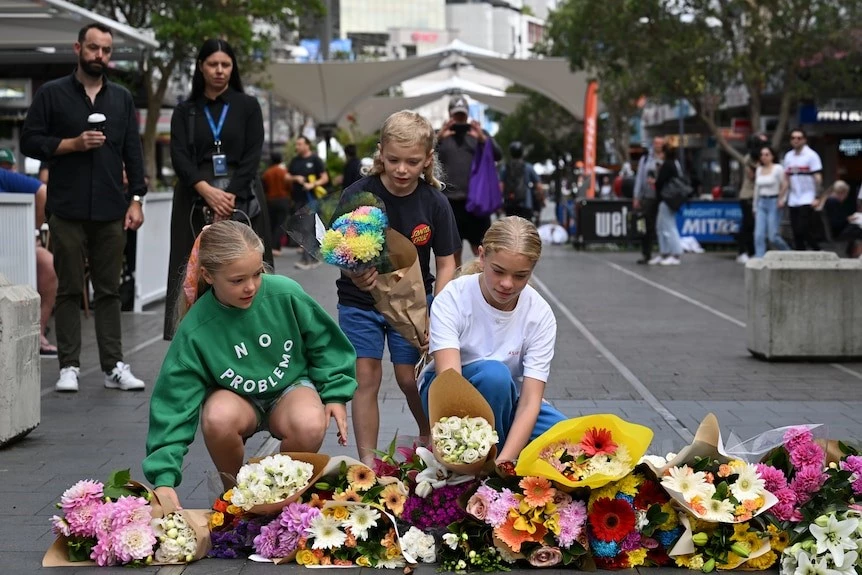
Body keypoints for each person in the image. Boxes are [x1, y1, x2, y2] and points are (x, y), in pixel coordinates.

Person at [143, 220, 358, 508]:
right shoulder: (196, 327)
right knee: (217, 417)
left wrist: (335, 394)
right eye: (237, 280)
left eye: (257, 274)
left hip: (290, 389)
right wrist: (164, 479)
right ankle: (234, 497)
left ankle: (280, 495)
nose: (251, 287)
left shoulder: (285, 293)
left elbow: (325, 343)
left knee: (309, 422)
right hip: (236, 399)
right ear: (208, 275)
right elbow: (174, 400)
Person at [20, 23, 147, 392]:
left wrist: (136, 199)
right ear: (78, 48)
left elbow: (133, 152)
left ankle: (114, 366)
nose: (99, 56)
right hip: (66, 207)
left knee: (109, 291)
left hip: (111, 207)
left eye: (106, 50)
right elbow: (30, 141)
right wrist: (71, 144)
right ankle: (69, 366)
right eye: (93, 48)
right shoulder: (52, 93)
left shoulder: (121, 98)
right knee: (68, 289)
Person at [339, 110, 460, 466]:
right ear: (380, 154)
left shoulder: (434, 202)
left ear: (428, 159)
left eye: (412, 162)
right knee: (365, 378)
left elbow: (446, 262)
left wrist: (438, 310)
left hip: (412, 305)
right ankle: (366, 466)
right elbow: (338, 249)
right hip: (359, 303)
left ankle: (427, 431)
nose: (402, 169)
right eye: (393, 160)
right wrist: (353, 273)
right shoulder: (358, 195)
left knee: (409, 378)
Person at [418, 216, 567, 463]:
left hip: (510, 398)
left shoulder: (540, 313)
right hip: (448, 392)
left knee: (573, 440)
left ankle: (501, 454)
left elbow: (530, 402)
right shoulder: (453, 297)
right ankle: (484, 461)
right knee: (494, 376)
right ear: (482, 257)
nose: (507, 284)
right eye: (498, 271)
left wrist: (503, 463)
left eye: (520, 276)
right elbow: (450, 384)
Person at [165, 38, 273, 341]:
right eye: (213, 64)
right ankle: (195, 340)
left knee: (247, 266)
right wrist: (206, 191)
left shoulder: (248, 106)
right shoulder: (185, 110)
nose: (219, 70)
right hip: (194, 198)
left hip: (243, 196)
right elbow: (179, 156)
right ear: (201, 67)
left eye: (226, 64)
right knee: (195, 270)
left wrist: (229, 196)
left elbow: (253, 155)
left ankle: (256, 337)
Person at [437, 95, 503, 268]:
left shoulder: (478, 134)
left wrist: (482, 139)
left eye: (462, 115)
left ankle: (482, 281)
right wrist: (439, 137)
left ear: (467, 115)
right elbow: (422, 155)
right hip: (450, 203)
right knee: (453, 253)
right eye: (456, 115)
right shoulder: (441, 135)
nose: (459, 119)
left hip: (476, 203)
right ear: (450, 115)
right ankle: (457, 282)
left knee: (482, 251)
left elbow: (498, 154)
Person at [0, 158, 57, 356]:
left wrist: (31, 231)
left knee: (48, 264)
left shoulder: (5, 177)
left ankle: (38, 333)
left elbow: (43, 192)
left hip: (14, 248)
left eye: (7, 167)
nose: (6, 170)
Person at [287, 135, 329, 270]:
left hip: (312, 199)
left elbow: (325, 178)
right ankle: (313, 258)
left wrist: (312, 184)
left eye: (300, 144)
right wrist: (296, 178)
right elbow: (286, 176)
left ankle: (307, 259)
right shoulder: (295, 161)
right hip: (298, 199)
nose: (297, 147)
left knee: (307, 227)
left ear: (307, 145)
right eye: (296, 144)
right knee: (303, 227)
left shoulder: (315, 160)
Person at [783, 128, 823, 251]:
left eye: (799, 138)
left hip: (808, 197)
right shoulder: (788, 156)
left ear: (804, 140)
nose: (796, 140)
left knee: (803, 228)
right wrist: (782, 197)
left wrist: (817, 197)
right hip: (793, 197)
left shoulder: (811, 155)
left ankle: (817, 250)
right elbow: (786, 178)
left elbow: (818, 177)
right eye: (793, 138)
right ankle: (800, 254)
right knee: (795, 231)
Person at [752, 145, 791, 258]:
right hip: (762, 202)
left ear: (772, 156)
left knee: (773, 236)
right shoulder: (759, 169)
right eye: (762, 155)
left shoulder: (778, 168)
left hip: (774, 201)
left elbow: (785, 185)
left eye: (767, 154)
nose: (763, 157)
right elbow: (757, 189)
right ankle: (759, 258)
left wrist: (782, 199)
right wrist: (754, 206)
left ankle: (788, 252)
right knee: (758, 235)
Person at [736, 134, 768, 263]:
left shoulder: (764, 157)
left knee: (755, 225)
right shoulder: (749, 158)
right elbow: (752, 176)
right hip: (748, 195)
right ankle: (743, 251)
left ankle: (753, 251)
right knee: (748, 224)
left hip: (759, 195)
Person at [633, 137, 665, 264]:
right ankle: (646, 254)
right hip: (648, 197)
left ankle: (665, 253)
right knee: (646, 226)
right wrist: (637, 196)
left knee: (663, 226)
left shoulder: (667, 158)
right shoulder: (645, 159)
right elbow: (639, 178)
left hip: (663, 198)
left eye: (660, 143)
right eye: (656, 143)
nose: (658, 145)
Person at [653, 143, 684, 265]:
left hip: (667, 199)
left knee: (668, 226)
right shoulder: (675, 164)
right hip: (668, 200)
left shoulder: (668, 165)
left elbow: (660, 182)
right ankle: (664, 253)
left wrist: (654, 181)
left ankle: (675, 254)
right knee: (661, 227)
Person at [499, 141, 541, 221]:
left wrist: (500, 202)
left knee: (511, 227)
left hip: (510, 203)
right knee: (526, 227)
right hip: (526, 204)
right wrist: (540, 200)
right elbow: (539, 186)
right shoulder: (528, 167)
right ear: (522, 152)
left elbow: (501, 186)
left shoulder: (505, 168)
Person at [262, 152, 291, 255]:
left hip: (270, 200)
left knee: (272, 224)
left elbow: (264, 187)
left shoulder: (267, 173)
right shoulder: (283, 171)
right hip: (282, 199)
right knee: (281, 223)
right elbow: (289, 185)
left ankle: (270, 246)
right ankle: (276, 246)